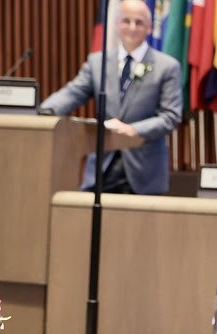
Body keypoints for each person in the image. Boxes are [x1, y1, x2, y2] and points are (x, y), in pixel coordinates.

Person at [40, 0, 182, 195]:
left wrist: (133, 130)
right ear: (116, 24)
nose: (132, 27)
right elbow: (72, 93)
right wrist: (41, 112)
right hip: (101, 168)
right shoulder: (97, 62)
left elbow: (170, 117)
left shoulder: (167, 67)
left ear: (149, 28)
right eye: (126, 21)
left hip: (144, 172)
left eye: (139, 22)